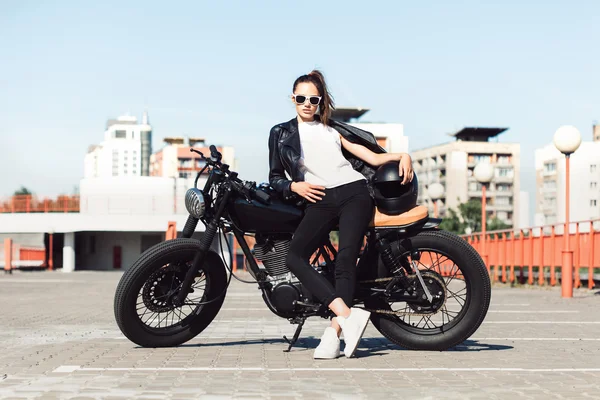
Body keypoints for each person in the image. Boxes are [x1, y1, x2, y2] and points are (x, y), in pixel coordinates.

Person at [268, 70, 414, 359]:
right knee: (294, 257)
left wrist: (403, 156)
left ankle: (334, 332)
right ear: (292, 98)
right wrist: (294, 185)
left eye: (313, 99)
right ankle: (348, 316)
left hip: (353, 193)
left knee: (345, 259)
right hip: (319, 197)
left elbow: (372, 157)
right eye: (301, 98)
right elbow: (274, 177)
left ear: (320, 101)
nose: (307, 104)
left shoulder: (333, 130)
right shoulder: (280, 133)